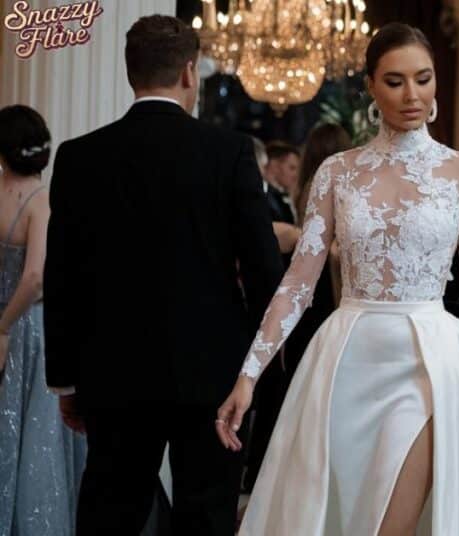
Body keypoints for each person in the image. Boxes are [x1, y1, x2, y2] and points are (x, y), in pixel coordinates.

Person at [216, 23, 459, 536]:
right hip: (347, 362)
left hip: (432, 362)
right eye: (396, 81)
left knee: (392, 525)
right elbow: (298, 282)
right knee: (343, 518)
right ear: (371, 87)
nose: (413, 95)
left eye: (423, 79)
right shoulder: (338, 172)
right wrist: (249, 374)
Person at [43, 15, 283, 535]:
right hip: (213, 374)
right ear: (190, 73)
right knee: (207, 515)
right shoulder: (229, 152)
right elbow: (264, 266)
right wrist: (261, 365)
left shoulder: (79, 157)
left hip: (112, 371)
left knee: (110, 512)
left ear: (132, 73)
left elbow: (61, 277)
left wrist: (66, 381)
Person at [242, 123, 351, 493]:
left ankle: (283, 472)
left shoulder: (314, 189)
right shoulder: (327, 188)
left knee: (300, 385)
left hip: (319, 295)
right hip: (321, 292)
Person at [0, 105, 86, 535]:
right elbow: (35, 277)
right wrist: (4, 326)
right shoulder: (43, 202)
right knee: (36, 440)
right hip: (30, 329)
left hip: (5, 323)